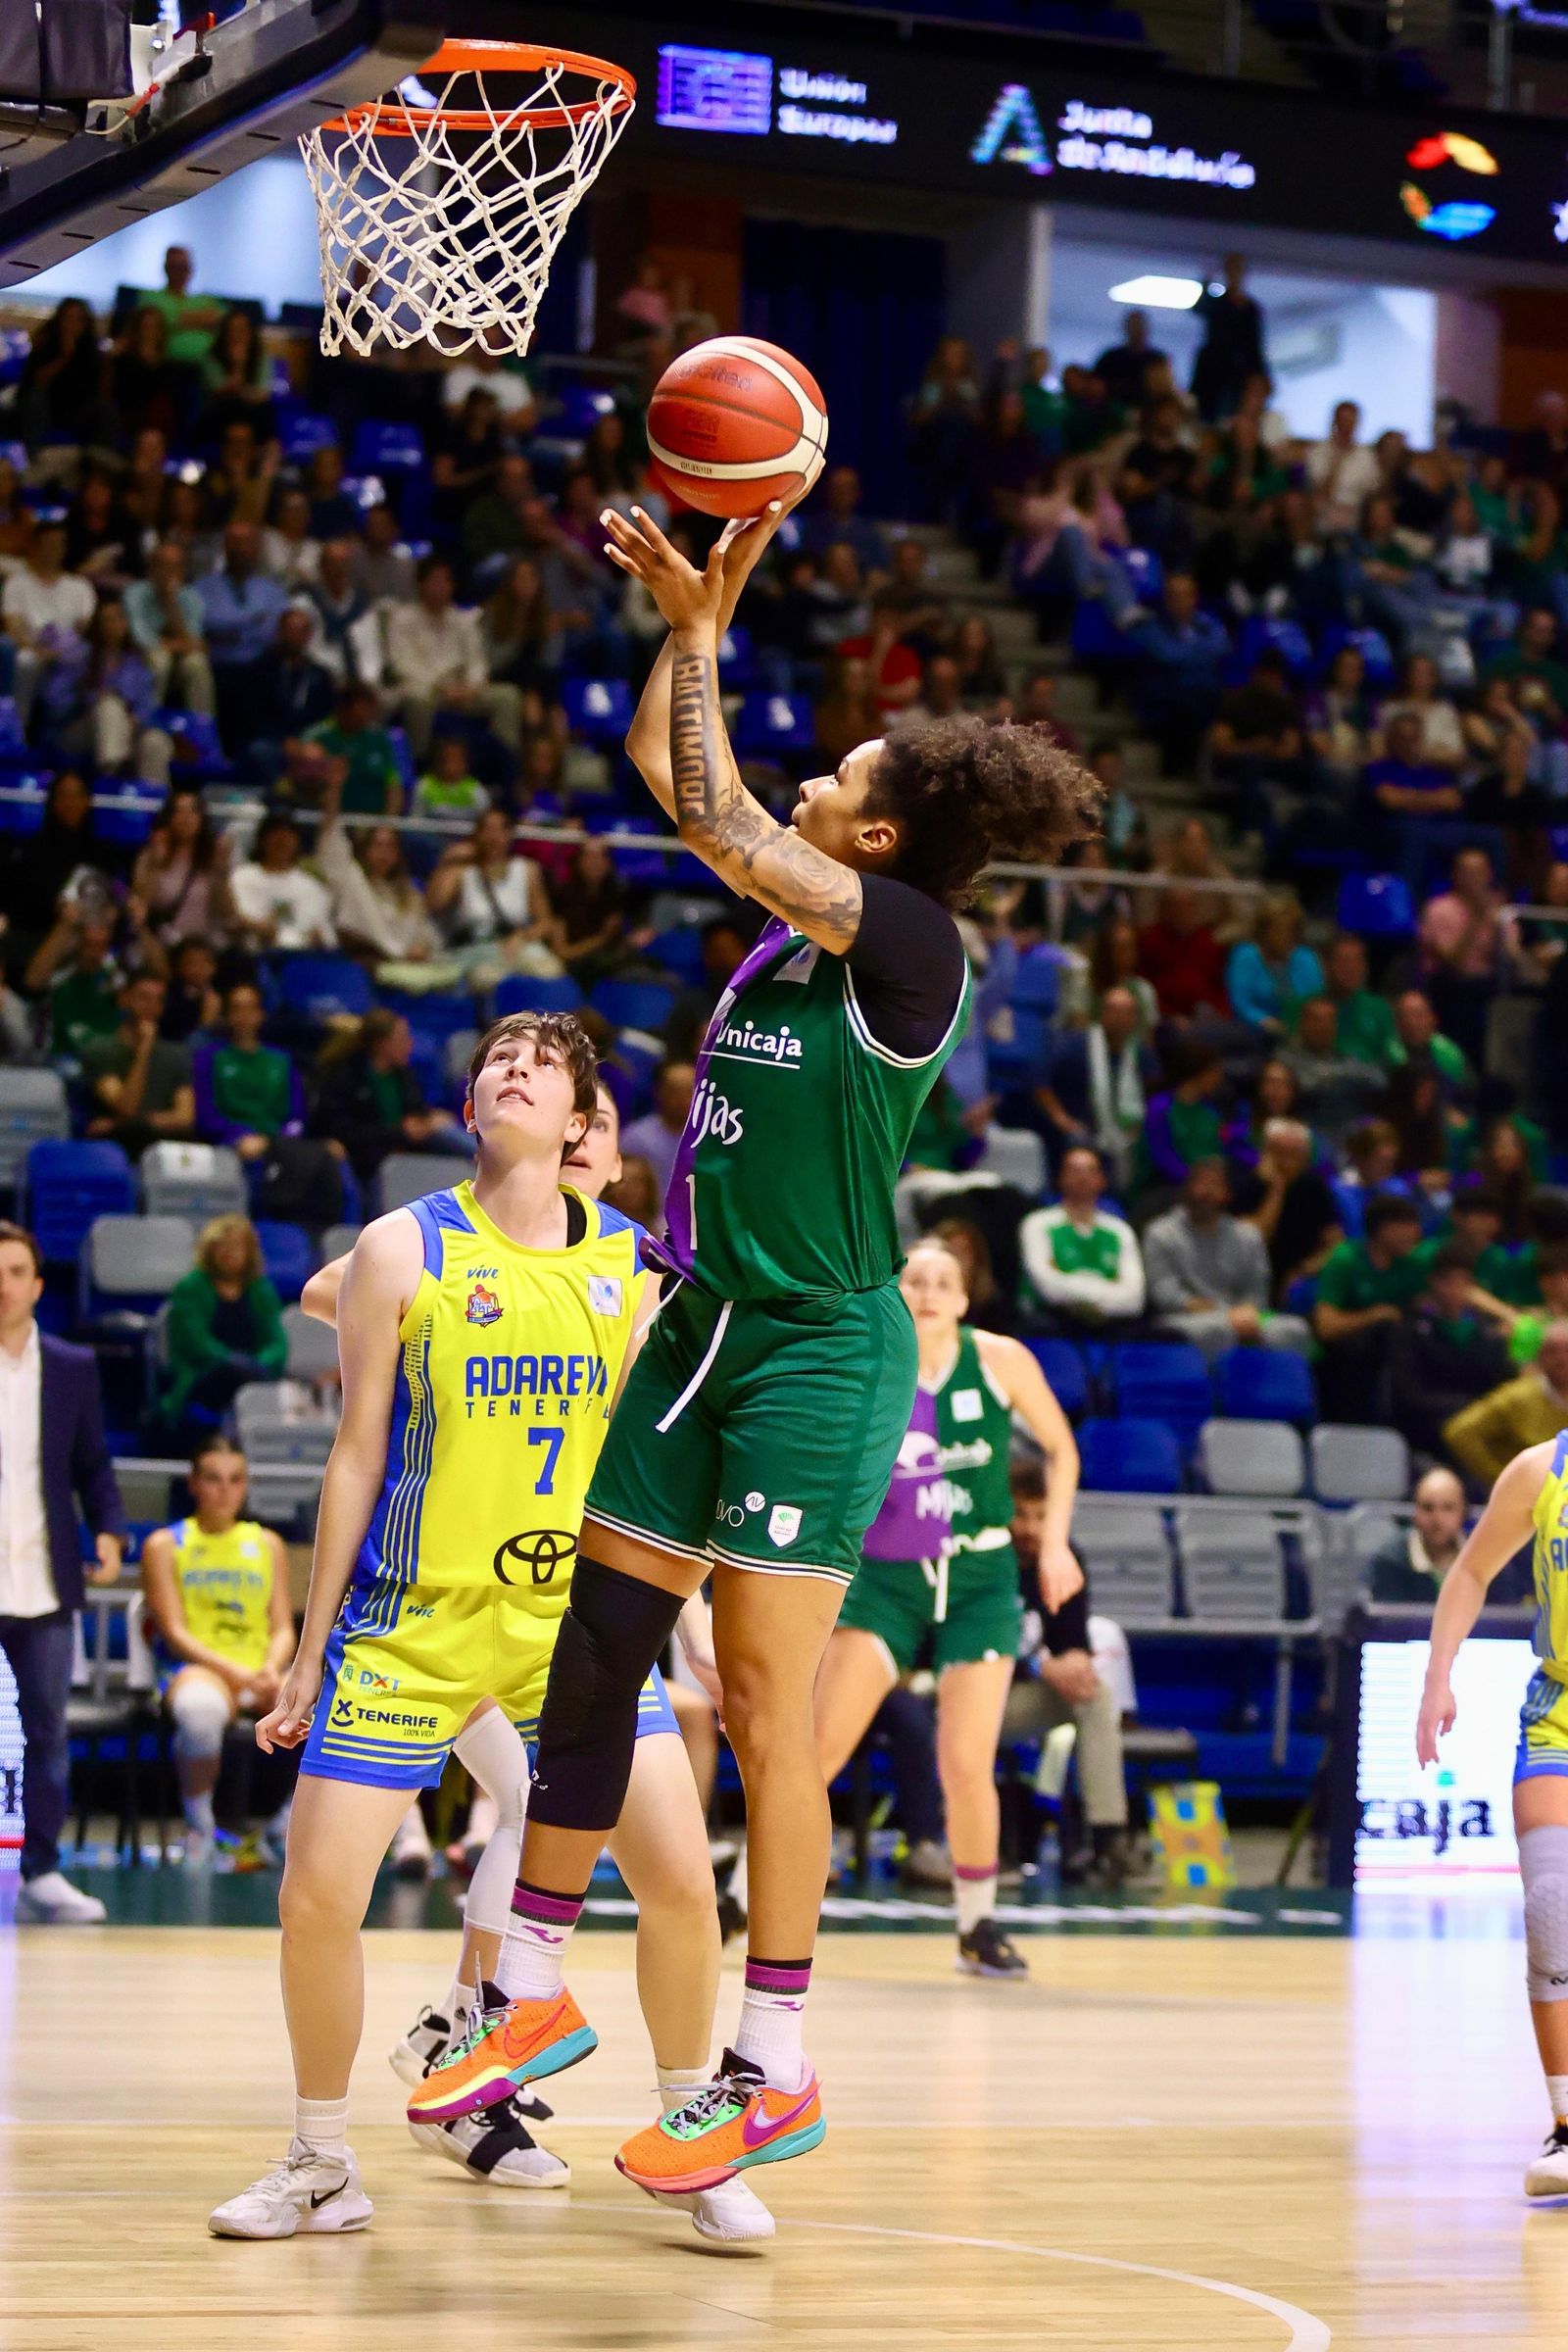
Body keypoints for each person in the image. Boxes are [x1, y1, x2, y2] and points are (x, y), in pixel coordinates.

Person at [413, 495, 1095, 2187]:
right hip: (704, 1324)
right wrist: (685, 621)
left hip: (818, 1353)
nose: (813, 780)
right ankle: (534, 1987)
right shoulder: (812, 924)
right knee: (597, 1646)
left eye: (840, 780)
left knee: (777, 1716)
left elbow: (714, 806)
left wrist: (718, 634)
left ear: (872, 845)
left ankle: (770, 2055)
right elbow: (674, 764)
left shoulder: (914, 951)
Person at [210, 1015, 764, 2245]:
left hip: (570, 1634)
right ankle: (317, 2160)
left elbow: (667, 1474)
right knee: (315, 1900)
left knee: (681, 1884)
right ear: (470, 1106)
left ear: (580, 1123)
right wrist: (308, 1651)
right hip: (412, 1627)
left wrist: (702, 1613)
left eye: (543, 1061)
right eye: (494, 1057)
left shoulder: (632, 1271)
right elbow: (354, 1459)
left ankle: (687, 2135)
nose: (509, 1067)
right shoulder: (400, 1248)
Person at [814, 1239, 1082, 1977]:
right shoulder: (867, 1360)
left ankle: (977, 1925)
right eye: (916, 1280)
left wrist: (1055, 1544)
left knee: (966, 1759)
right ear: (896, 1293)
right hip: (886, 1579)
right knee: (818, 1751)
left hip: (979, 1577)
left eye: (944, 1282)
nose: (928, 1292)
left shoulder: (999, 1360)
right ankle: (743, 1896)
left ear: (965, 1300)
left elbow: (1062, 1450)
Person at [1412, 1426, 1568, 2195]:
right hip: (1559, 1713)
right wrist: (1438, 1679)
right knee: (1551, 1906)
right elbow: (1471, 1571)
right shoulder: (1542, 1470)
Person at [0, 1222, 124, 1923]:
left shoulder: (70, 1366)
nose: (3, 1284)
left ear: (38, 1285)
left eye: (16, 1271)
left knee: (46, 1730)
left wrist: (108, 1527)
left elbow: (92, 1464)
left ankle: (42, 1870)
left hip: (44, 1582)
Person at [141, 1436, 295, 1866]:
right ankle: (200, 1829)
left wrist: (269, 1669)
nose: (225, 1490)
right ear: (193, 1483)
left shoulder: (267, 1544)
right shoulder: (165, 1544)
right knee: (200, 1710)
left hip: (261, 1669)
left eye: (235, 1480)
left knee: (332, 1710)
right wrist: (235, 1674)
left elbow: (283, 1627)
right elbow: (173, 1632)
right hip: (196, 1669)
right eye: (213, 1479)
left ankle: (285, 1828)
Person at [1002, 1458, 1130, 1886]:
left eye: (1041, 1516)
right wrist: (1040, 1665)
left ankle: (1109, 1842)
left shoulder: (1064, 1558)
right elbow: (964, 1650)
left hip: (1017, 1699)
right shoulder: (981, 1556)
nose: (1030, 1528)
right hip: (963, 1694)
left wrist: (1074, 1663)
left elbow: (1071, 1643)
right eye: (1020, 1514)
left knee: (1094, 1695)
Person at [1143, 1157, 1311, 1362]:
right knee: (1216, 1331)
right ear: (1185, 1190)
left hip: (1244, 1316)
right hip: (1185, 1318)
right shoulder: (1160, 1233)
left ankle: (1281, 1393)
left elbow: (1257, 1289)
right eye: (1200, 1184)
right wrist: (1227, 1314)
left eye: (1214, 1185)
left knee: (1294, 1329)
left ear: (1227, 1194)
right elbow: (1165, 1294)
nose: (1206, 1192)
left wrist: (1248, 1312)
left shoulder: (1247, 1236)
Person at [160, 1213, 286, 1439]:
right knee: (234, 1373)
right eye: (222, 1246)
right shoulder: (191, 1287)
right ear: (209, 1250)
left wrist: (258, 1364)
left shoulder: (262, 1290)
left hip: (254, 1374)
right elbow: (194, 1342)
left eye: (237, 1246)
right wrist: (231, 1361)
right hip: (202, 1376)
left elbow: (277, 1343)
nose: (229, 1253)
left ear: (249, 1252)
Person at [310, 1009, 466, 1184]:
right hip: (366, 1158)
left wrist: (426, 1120)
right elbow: (344, 1132)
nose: (410, 1044)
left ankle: (486, 1157)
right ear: (382, 1044)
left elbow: (415, 1110)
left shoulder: (404, 1075)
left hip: (408, 1151)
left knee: (444, 1128)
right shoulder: (345, 1079)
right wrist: (399, 1132)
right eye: (402, 1039)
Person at [1312, 1193, 1428, 1423]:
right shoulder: (1345, 1259)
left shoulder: (1412, 1265)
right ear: (1383, 1229)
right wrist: (1376, 1315)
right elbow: (1326, 1327)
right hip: (1341, 1361)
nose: (1416, 1232)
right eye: (1407, 1224)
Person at [1390, 1243, 1512, 1460]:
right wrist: (1471, 1407)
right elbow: (1408, 1395)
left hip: (1481, 1436)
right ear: (1432, 1283)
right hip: (1427, 1438)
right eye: (1447, 1281)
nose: (1455, 1291)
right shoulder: (1411, 1331)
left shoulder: (1488, 1335)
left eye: (1464, 1282)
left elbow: (1503, 1386)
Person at [1026, 985, 1154, 1189]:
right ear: (1103, 1013)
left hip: (1125, 1130)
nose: (1120, 1018)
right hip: (1083, 1127)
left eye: (1126, 1012)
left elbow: (1152, 1088)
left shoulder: (1141, 1053)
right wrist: (1061, 1118)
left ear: (1134, 1018)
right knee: (1077, 1143)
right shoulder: (1076, 1044)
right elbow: (1039, 1079)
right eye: (1114, 1011)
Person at [1018, 1144, 1145, 1334]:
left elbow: (1134, 1299)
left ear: (1102, 1180)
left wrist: (1084, 1299)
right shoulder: (1037, 1224)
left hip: (1109, 1323)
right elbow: (1048, 1289)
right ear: (1060, 1177)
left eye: (1090, 1171)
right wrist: (1105, 1291)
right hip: (1050, 1321)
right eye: (1074, 1170)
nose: (1082, 1177)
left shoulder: (1119, 1231)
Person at [80, 967, 196, 1158]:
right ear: (124, 999)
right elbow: (126, 1108)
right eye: (143, 997)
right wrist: (143, 1052)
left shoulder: (176, 1054)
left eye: (158, 1000)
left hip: (163, 1147)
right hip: (114, 1149)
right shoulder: (100, 1050)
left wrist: (121, 1123)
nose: (151, 1006)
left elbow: (185, 1118)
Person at [191, 980, 306, 1160]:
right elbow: (206, 1117)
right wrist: (241, 1135)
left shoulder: (282, 1060)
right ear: (227, 1016)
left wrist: (277, 1139)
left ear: (261, 1014)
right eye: (237, 1009)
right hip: (231, 1143)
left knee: (328, 1157)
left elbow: (297, 1117)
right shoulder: (209, 1058)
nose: (244, 1016)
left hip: (280, 1142)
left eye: (251, 1009)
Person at [1444, 1326, 1568, 1490]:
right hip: (1530, 1495)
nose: (1561, 1359)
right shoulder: (1516, 1398)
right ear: (1540, 1357)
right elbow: (1459, 1432)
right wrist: (1502, 1478)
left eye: (1567, 1350)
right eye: (1552, 1351)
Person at [1239, 1116, 1343, 1298]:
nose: (1287, 1161)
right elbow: (1256, 1237)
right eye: (1280, 1153)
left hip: (1300, 1275)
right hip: (1252, 1274)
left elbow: (1335, 1242)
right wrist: (1277, 1188)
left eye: (1296, 1154)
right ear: (1266, 1152)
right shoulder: (1247, 1184)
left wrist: (1306, 1269)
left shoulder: (1314, 1186)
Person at [229, 810, 336, 953]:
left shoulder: (312, 886)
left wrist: (316, 937)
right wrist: (258, 927)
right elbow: (231, 921)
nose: (282, 842)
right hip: (249, 958)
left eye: (287, 837)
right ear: (262, 840)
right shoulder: (240, 878)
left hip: (302, 960)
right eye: (276, 836)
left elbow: (325, 934)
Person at [1362, 1465, 1467, 1605]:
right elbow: (1389, 1623)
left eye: (1448, 1508)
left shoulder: (1487, 1558)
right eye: (1428, 1508)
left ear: (1464, 1511)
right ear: (1414, 1511)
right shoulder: (1389, 1561)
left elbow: (1499, 1620)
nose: (1438, 1519)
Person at [620, 1059, 696, 1205]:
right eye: (675, 1090)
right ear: (659, 1092)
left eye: (689, 1091)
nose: (682, 1099)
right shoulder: (636, 1138)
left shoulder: (709, 1139)